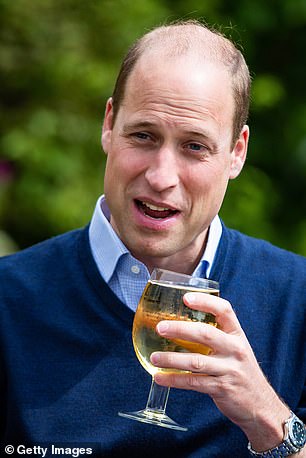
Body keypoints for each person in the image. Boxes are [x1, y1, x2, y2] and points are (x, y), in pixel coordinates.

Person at [0, 19, 305, 458]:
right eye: (143, 135)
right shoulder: (11, 299)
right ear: (109, 124)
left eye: (195, 146)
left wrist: (266, 417)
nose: (161, 177)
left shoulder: (297, 298)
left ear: (237, 152)